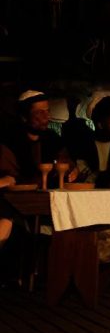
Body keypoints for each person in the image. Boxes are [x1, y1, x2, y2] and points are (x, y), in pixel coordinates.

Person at [0, 90, 75, 249]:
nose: (46, 116)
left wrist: (70, 170)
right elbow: (9, 174)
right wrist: (12, 179)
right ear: (24, 116)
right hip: (15, 202)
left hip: (48, 202)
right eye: (39, 113)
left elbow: (66, 164)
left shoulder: (52, 139)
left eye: (47, 111)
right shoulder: (10, 139)